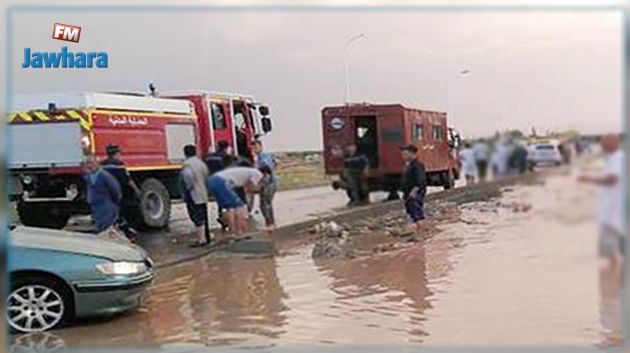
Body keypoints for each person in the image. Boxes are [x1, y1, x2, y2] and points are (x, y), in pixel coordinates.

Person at [578, 134, 625, 268]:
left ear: (614, 143)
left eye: (605, 143)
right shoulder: (612, 159)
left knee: (611, 247)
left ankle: (614, 273)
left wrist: (589, 179)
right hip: (611, 207)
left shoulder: (617, 159)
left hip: (614, 208)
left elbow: (612, 180)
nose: (602, 146)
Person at [206, 166, 265, 237]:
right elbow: (251, 185)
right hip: (222, 181)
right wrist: (258, 188)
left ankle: (232, 231)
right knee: (239, 206)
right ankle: (239, 232)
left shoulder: (248, 171)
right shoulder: (258, 174)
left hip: (213, 180)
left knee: (229, 207)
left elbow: (245, 187)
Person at [100, 144, 141, 240]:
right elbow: (127, 180)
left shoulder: (102, 164)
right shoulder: (118, 164)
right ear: (116, 154)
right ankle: (128, 233)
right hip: (118, 192)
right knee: (124, 212)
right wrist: (137, 190)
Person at [83, 154, 124, 241]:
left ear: (97, 164)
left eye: (92, 163)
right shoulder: (88, 176)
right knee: (99, 224)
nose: (90, 165)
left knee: (107, 225)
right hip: (95, 204)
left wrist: (115, 201)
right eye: (87, 163)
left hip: (106, 204)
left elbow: (115, 190)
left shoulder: (105, 176)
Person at [179, 144, 211, 247]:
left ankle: (201, 240)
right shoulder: (201, 163)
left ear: (185, 153)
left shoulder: (187, 164)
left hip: (193, 194)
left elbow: (187, 176)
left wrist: (188, 187)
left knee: (196, 216)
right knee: (203, 215)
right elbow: (207, 176)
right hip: (203, 192)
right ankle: (206, 237)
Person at [400, 144, 427, 233]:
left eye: (405, 154)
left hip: (415, 192)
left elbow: (420, 180)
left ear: (412, 153)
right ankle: (418, 229)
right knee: (411, 211)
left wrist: (414, 191)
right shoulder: (409, 165)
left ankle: (421, 229)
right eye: (403, 154)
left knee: (416, 210)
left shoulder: (417, 165)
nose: (403, 156)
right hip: (409, 192)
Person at [253, 140, 278, 230]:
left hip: (268, 183)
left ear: (260, 147)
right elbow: (275, 162)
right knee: (267, 204)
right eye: (253, 147)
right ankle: (271, 223)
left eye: (256, 147)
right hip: (271, 182)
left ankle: (270, 223)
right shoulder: (265, 155)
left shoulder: (262, 157)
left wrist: (261, 183)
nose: (254, 149)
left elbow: (266, 170)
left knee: (265, 205)